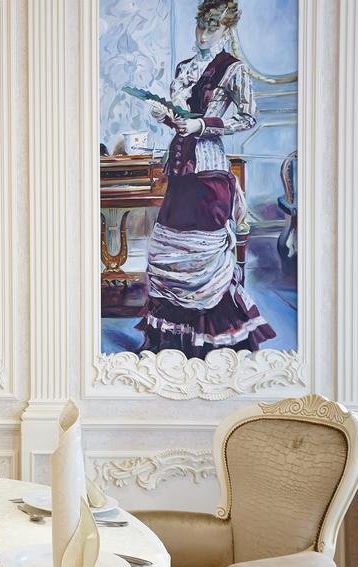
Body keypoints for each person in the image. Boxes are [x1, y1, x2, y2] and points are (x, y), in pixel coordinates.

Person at [136, 0, 275, 357]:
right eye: (201, 26)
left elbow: (248, 117)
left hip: (209, 171)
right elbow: (180, 120)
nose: (203, 34)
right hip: (180, 171)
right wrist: (166, 118)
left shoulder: (233, 69)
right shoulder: (184, 68)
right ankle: (172, 340)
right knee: (168, 253)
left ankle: (214, 341)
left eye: (212, 28)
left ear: (226, 31)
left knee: (203, 257)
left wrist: (203, 124)